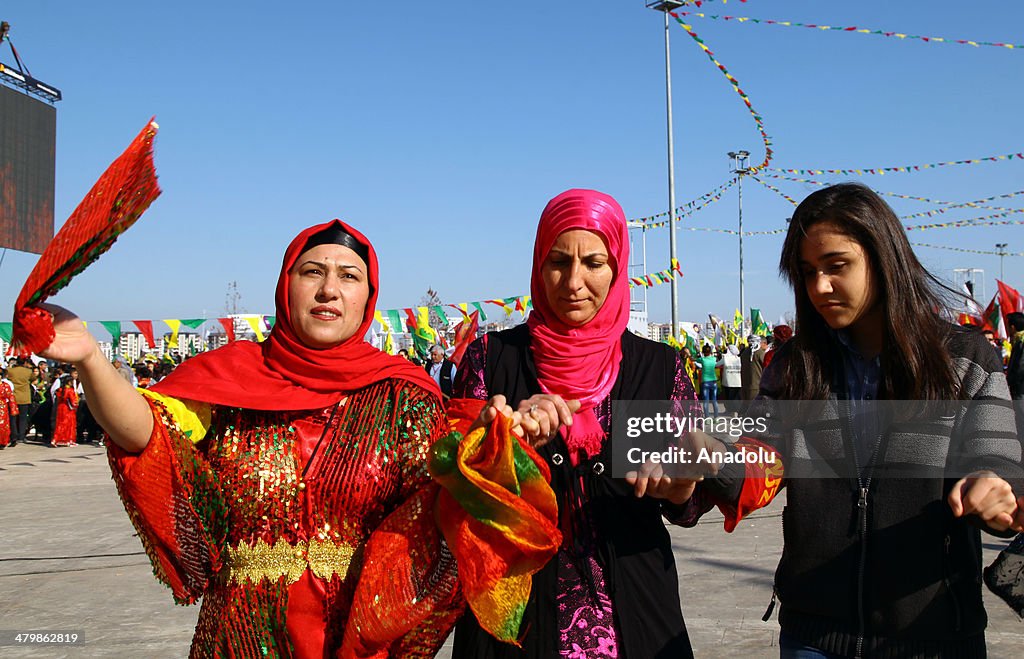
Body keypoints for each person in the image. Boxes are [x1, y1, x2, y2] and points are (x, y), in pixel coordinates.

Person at [29, 219, 520, 657]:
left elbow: (444, 499)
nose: (330, 289)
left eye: (349, 276)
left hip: (358, 634)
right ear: (287, 286)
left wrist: (496, 442)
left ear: (367, 297)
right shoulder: (226, 377)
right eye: (313, 272)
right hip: (241, 634)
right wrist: (91, 358)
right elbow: (145, 433)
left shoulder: (403, 393)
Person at [450, 189, 738, 658]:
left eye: (595, 263)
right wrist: (502, 449)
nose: (574, 281)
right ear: (539, 265)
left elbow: (689, 507)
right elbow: (454, 497)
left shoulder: (660, 369)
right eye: (558, 261)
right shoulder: (493, 360)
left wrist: (683, 490)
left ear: (618, 267)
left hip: (637, 615)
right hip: (515, 621)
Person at [752, 183, 1024, 656]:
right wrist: (701, 462)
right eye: (806, 272)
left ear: (884, 258)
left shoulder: (965, 358)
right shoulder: (794, 366)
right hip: (812, 636)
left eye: (837, 266)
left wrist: (995, 486)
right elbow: (756, 457)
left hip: (935, 634)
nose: (819, 287)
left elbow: (997, 459)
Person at [7, 357, 33, 447]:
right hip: (24, 397)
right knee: (23, 418)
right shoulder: (28, 371)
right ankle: (21, 436)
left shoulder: (10, 371)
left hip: (14, 396)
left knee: (13, 418)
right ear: (25, 362)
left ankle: (13, 435)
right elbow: (34, 378)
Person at [51, 376, 79, 447]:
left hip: (61, 408)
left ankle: (55, 439)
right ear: (69, 382)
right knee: (69, 424)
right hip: (68, 409)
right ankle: (68, 440)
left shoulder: (60, 390)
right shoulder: (70, 390)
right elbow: (73, 401)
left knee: (60, 424)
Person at [695, 343, 721, 416]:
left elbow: (695, 360)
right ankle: (716, 417)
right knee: (714, 400)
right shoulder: (714, 359)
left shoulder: (702, 359)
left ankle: (707, 418)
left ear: (703, 352)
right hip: (714, 381)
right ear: (711, 352)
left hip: (705, 382)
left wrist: (698, 352)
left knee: (706, 401)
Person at [739, 335, 766, 402]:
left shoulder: (745, 352)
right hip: (756, 386)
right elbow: (766, 367)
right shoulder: (759, 353)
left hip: (745, 384)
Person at [718, 344, 742, 414]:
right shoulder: (739, 359)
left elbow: (716, 364)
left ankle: (729, 410)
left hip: (728, 382)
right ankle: (735, 411)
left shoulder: (725, 358)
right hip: (738, 382)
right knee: (736, 398)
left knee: (728, 398)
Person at [0, 368, 18, 449]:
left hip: (2, 407)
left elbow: (11, 397)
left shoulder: (5, 386)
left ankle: (2, 442)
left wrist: (13, 409)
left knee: (2, 425)